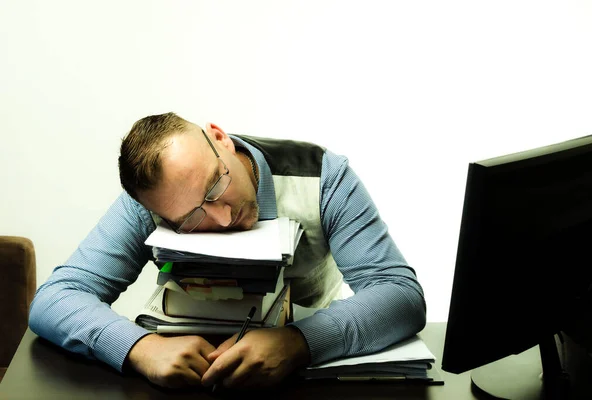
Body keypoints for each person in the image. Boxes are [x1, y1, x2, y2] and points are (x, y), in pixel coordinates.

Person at [29, 112, 426, 389]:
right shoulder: (149, 201)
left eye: (216, 186)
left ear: (220, 136)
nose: (222, 218)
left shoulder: (324, 177)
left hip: (302, 381)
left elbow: (399, 294)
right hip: (187, 380)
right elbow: (56, 298)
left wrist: (297, 343)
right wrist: (138, 348)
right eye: (190, 217)